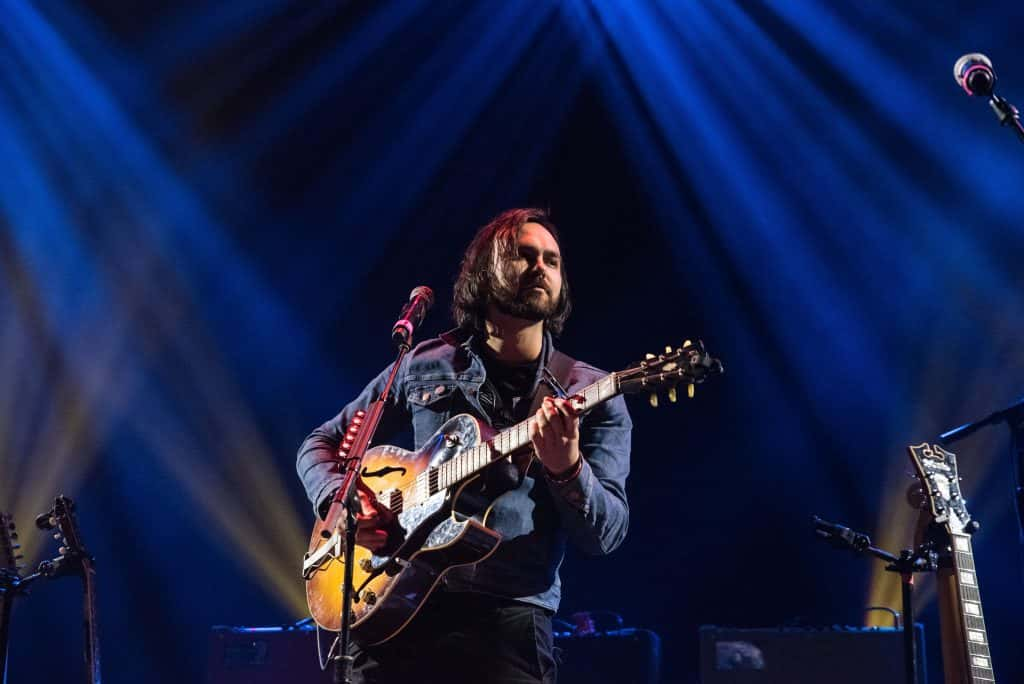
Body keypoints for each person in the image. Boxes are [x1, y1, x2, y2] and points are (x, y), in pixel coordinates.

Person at [297, 208, 632, 683]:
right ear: (483, 271)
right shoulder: (424, 364)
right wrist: (342, 501)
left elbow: (606, 535)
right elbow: (322, 443)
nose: (540, 267)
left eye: (552, 261)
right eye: (523, 254)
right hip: (390, 608)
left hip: (508, 624)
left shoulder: (591, 393)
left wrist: (567, 469)